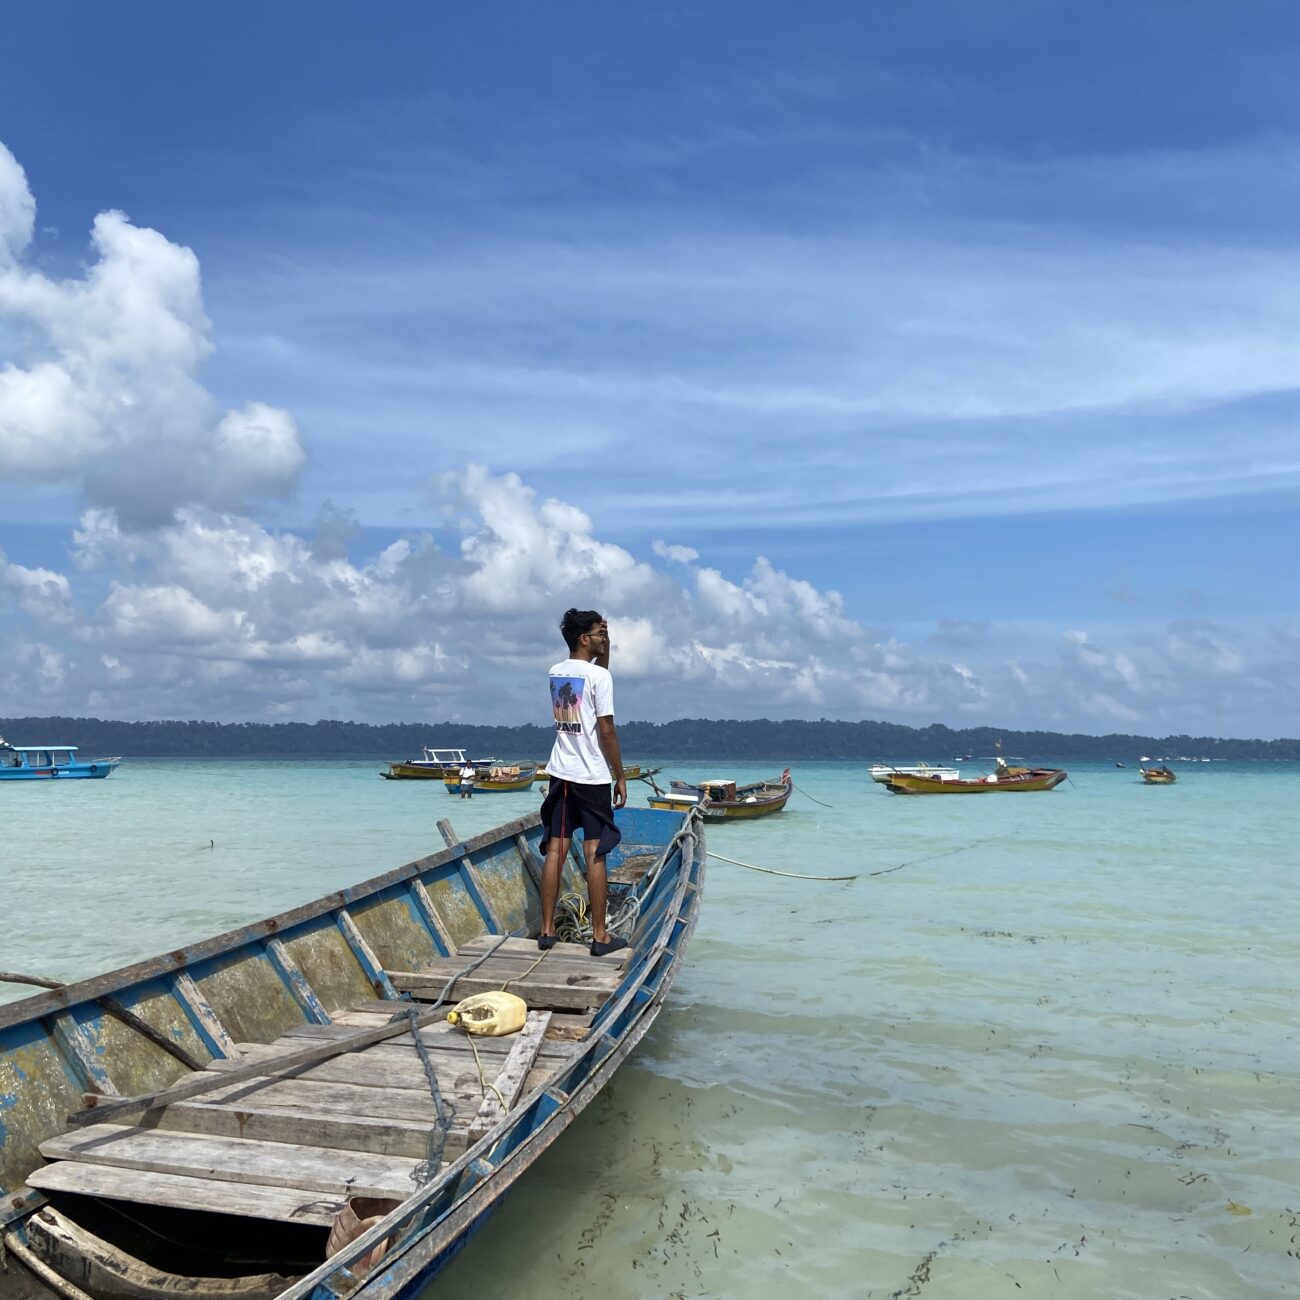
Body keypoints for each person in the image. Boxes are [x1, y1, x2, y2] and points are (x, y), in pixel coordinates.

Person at [537, 608, 628, 957]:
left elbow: (594, 673)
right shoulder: (599, 679)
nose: (603, 639)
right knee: (595, 851)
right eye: (599, 634)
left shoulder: (557, 672)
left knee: (556, 848)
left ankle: (546, 932)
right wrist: (619, 775)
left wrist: (608, 641)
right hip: (590, 776)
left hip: (559, 772)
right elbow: (606, 730)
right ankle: (600, 937)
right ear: (584, 639)